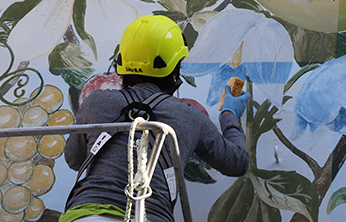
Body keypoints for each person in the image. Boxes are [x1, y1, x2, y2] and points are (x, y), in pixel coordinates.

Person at [60, 14, 250, 222]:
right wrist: (229, 114)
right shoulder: (188, 115)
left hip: (84, 216)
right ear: (175, 71)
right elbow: (237, 163)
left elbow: (74, 160)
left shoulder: (96, 102)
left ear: (121, 65)